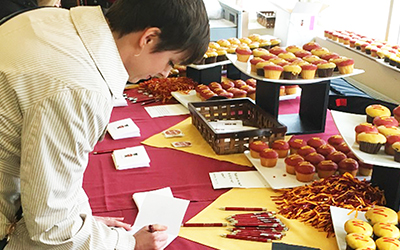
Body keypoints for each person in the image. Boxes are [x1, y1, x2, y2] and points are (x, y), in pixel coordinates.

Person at [0, 0, 209, 249]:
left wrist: (79, 219)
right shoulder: (80, 88)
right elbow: (51, 227)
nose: (165, 74)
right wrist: (127, 243)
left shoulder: (50, 19)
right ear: (149, 38)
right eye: (171, 62)